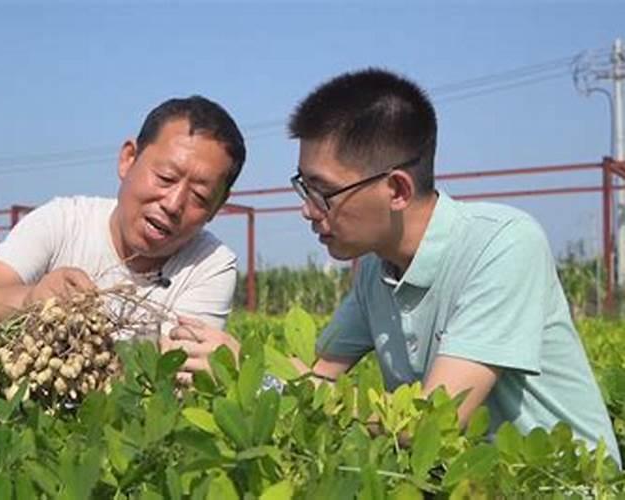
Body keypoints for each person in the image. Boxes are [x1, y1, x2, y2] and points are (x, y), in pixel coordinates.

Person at [163, 69, 621, 466]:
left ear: (397, 190)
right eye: (304, 187)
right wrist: (231, 367)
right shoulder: (374, 272)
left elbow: (429, 425)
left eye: (322, 191)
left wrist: (256, 377)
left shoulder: (502, 245)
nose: (307, 210)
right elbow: (318, 378)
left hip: (562, 483)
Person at [0, 95, 246, 340]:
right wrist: (31, 299)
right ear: (128, 159)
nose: (173, 204)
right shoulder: (63, 221)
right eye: (165, 177)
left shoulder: (211, 264)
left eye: (200, 197)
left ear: (218, 207)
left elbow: (173, 374)